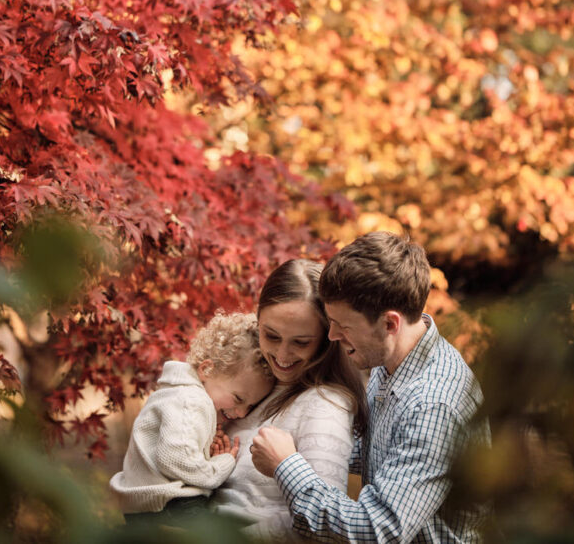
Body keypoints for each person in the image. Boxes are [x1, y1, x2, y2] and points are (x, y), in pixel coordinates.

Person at [251, 232, 490, 543]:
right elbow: (368, 451)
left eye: (344, 326)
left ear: (390, 324)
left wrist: (287, 467)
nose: (332, 335)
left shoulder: (433, 405)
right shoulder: (388, 360)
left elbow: (376, 531)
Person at [213, 259, 368, 540]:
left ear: (326, 338)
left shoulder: (325, 404)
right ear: (257, 320)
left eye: (301, 342)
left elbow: (324, 529)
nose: (282, 356)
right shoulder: (253, 382)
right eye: (271, 335)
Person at [109, 311, 274, 525]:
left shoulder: (175, 392)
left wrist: (204, 453)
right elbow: (174, 460)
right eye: (238, 398)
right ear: (207, 369)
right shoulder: (192, 401)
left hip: (145, 506)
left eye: (250, 406)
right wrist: (221, 465)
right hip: (171, 506)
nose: (241, 413)